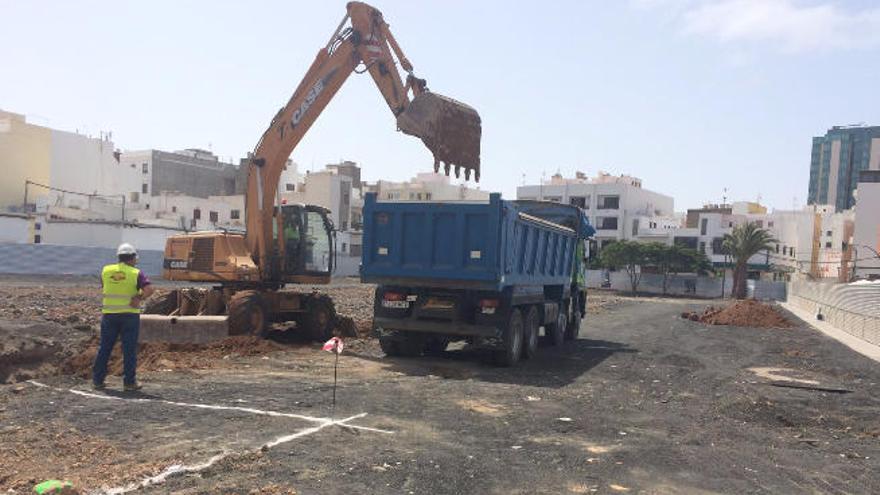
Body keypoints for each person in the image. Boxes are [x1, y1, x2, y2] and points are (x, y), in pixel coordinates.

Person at [92, 243, 154, 391]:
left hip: (109, 315)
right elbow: (150, 289)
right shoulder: (136, 273)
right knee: (129, 349)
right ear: (132, 258)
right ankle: (129, 382)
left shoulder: (106, 271)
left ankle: (98, 380)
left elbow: (104, 285)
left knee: (105, 348)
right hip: (129, 316)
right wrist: (139, 297)